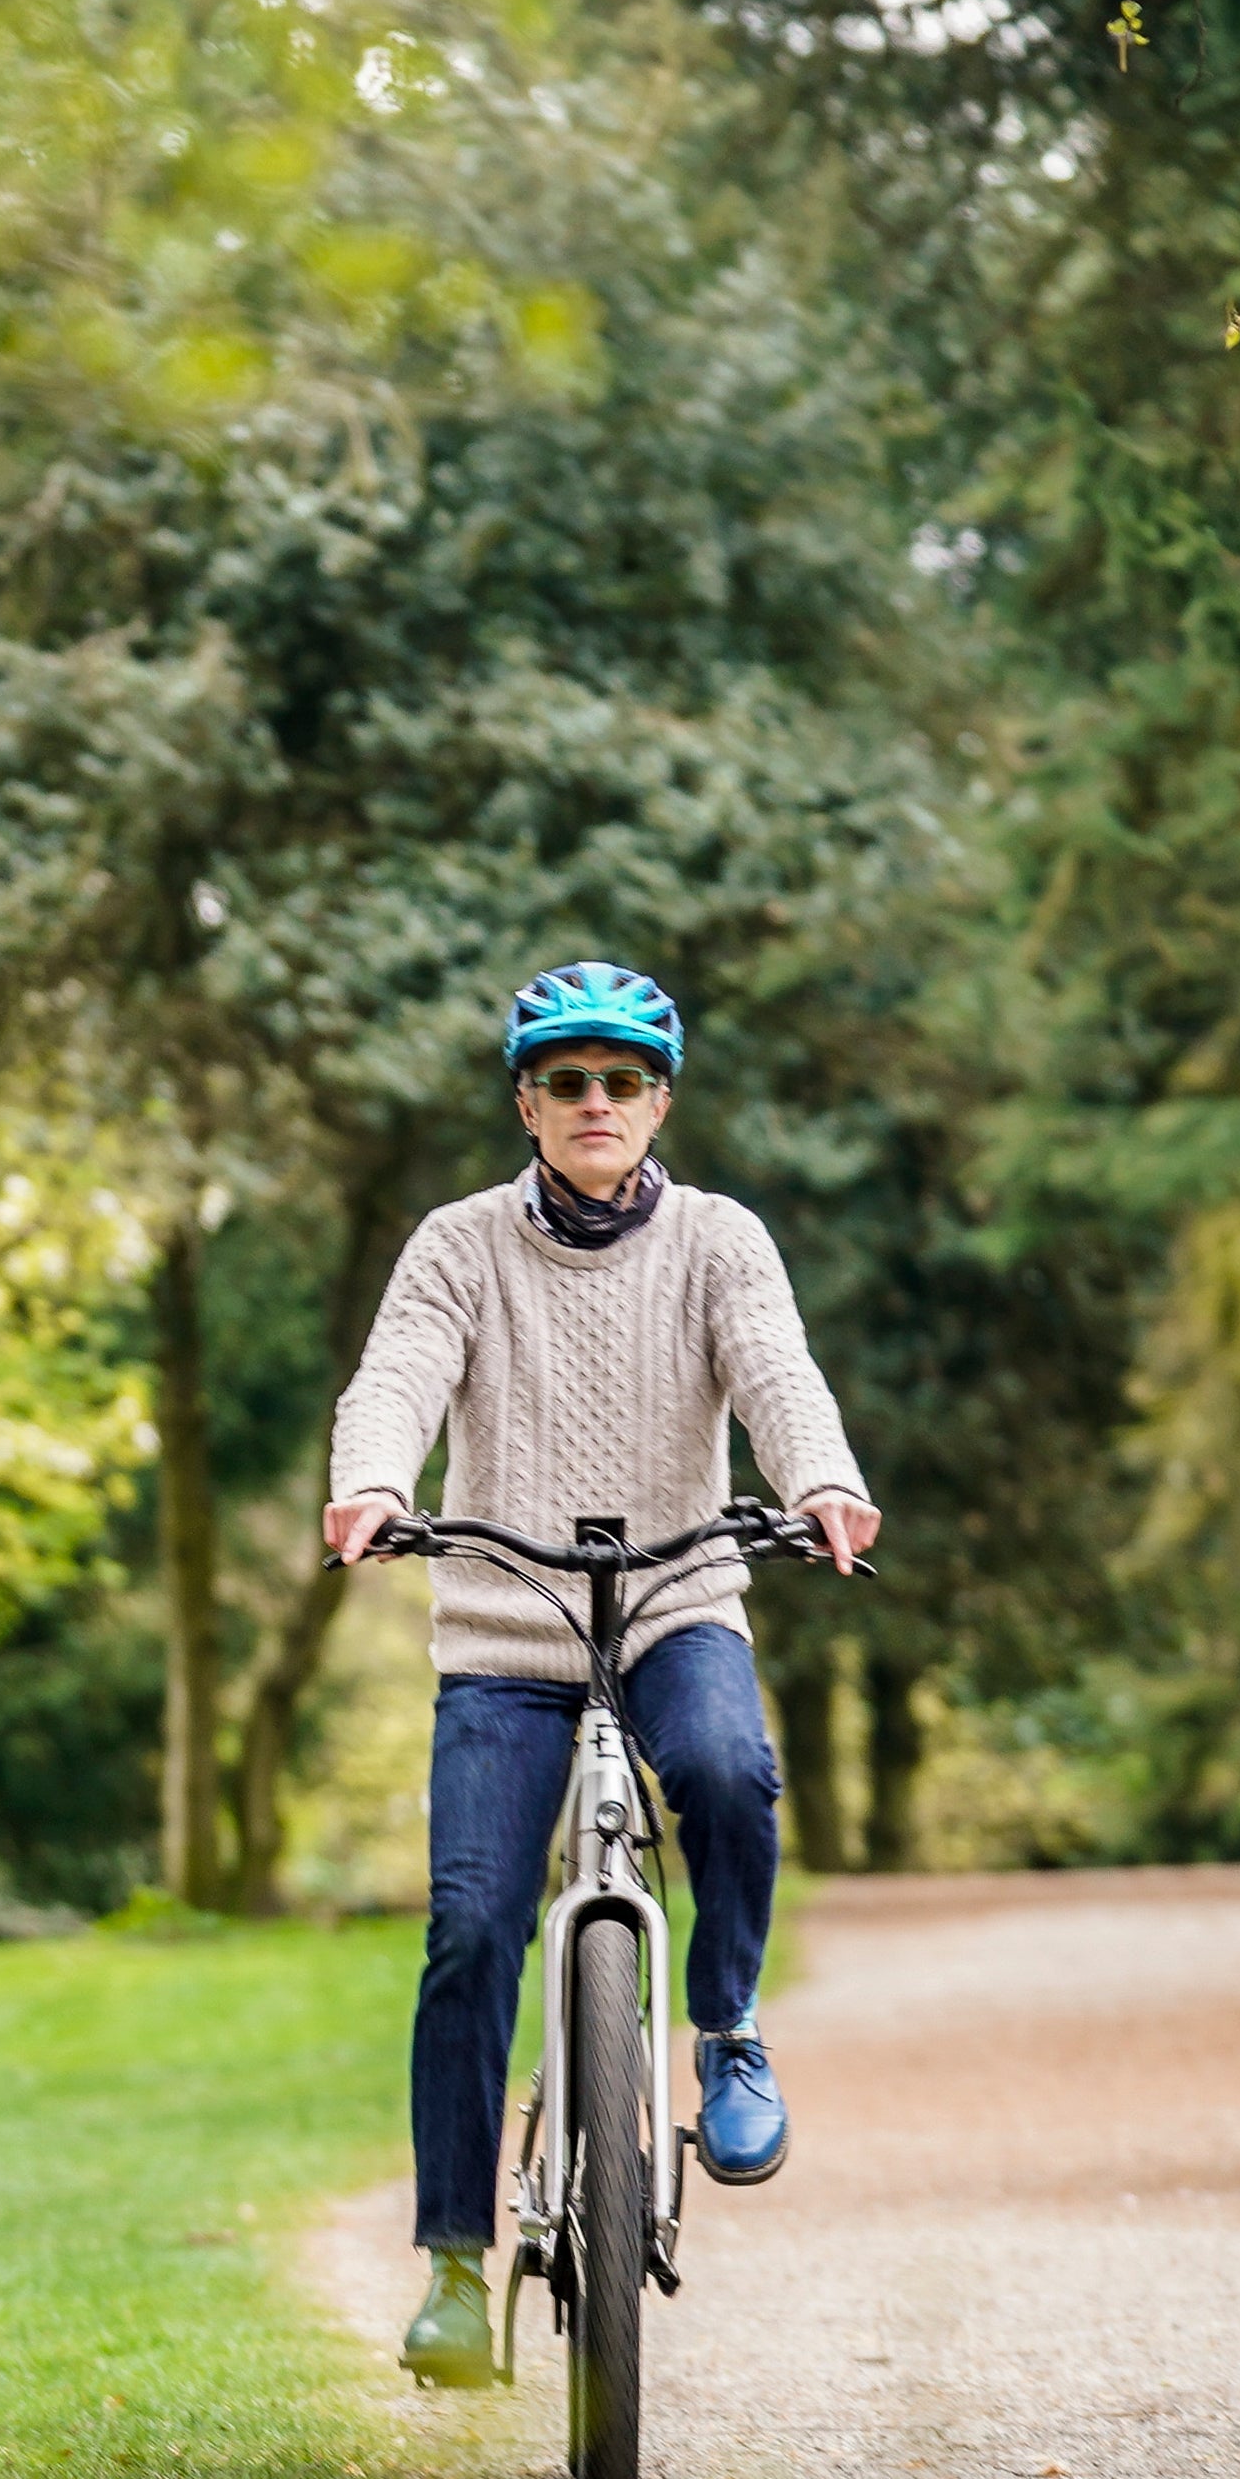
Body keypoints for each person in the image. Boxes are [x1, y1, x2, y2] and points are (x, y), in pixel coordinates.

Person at [318, 960, 880, 2389]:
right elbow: (396, 1376)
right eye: (566, 1080)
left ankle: (729, 2026)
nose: (594, 1103)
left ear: (659, 1101)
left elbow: (775, 1368)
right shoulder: (455, 1246)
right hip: (507, 1633)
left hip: (677, 1599)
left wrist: (819, 1479)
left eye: (621, 1081)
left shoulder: (719, 1239)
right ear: (526, 1100)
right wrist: (374, 1480)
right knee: (469, 1925)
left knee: (730, 1770)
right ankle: (454, 2261)